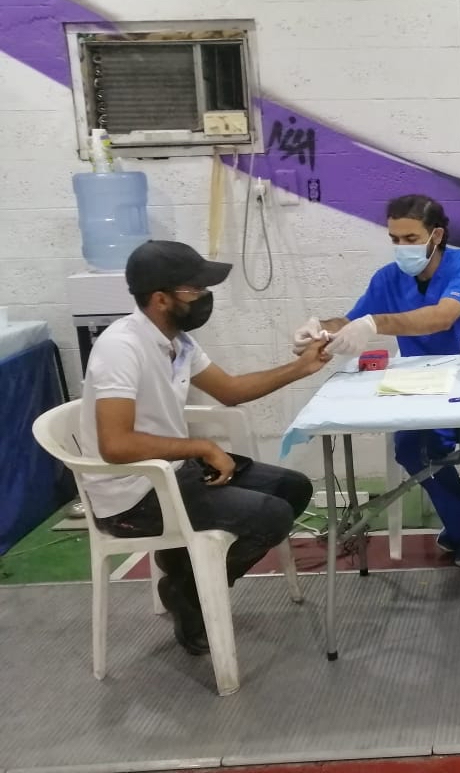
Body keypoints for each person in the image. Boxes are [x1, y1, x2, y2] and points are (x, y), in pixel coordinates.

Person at [81, 241, 329, 656]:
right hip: (132, 496)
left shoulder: (178, 342)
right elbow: (115, 444)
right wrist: (199, 445)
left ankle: (184, 578)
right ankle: (193, 593)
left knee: (294, 488)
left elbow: (229, 390)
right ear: (160, 299)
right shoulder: (120, 348)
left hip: (174, 472)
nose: (204, 296)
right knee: (272, 516)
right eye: (194, 289)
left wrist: (302, 367)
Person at [294, 194, 460, 568]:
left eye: (410, 239)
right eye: (395, 239)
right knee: (411, 448)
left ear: (436, 235)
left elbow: (442, 317)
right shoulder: (388, 279)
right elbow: (350, 321)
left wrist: (375, 323)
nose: (401, 247)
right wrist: (319, 328)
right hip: (422, 388)